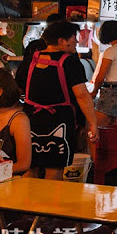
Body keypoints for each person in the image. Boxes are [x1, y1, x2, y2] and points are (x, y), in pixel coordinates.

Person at [24, 22, 98, 180]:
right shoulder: (70, 62)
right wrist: (92, 123)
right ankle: (49, 204)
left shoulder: (32, 58)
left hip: (30, 119)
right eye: (74, 38)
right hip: (59, 122)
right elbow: (82, 95)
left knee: (31, 167)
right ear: (61, 41)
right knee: (54, 169)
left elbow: (20, 85)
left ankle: (26, 203)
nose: (77, 42)